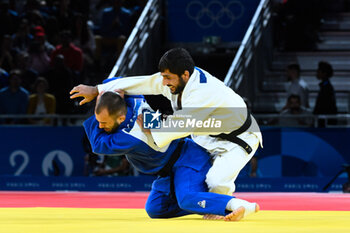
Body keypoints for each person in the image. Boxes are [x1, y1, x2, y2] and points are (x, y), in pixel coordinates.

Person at [70, 48, 263, 196]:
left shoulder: (201, 94)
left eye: (168, 78)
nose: (164, 83)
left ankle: (227, 204)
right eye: (163, 76)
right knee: (196, 177)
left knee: (215, 181)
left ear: (185, 75)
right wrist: (98, 89)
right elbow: (144, 82)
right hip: (208, 133)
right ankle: (206, 202)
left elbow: (181, 126)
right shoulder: (177, 79)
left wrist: (149, 123)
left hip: (238, 138)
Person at [84, 90, 259, 221]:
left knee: (186, 199)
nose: (99, 126)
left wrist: (98, 95)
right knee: (155, 209)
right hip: (169, 170)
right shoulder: (135, 100)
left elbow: (98, 145)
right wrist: (102, 91)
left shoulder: (132, 136)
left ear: (121, 119)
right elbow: (121, 85)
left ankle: (234, 205)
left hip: (187, 158)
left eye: (103, 122)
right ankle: (205, 200)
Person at [313, 61, 337, 127]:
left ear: (324, 73)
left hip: (325, 123)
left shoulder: (327, 88)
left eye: (318, 71)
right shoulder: (324, 86)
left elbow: (325, 107)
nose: (317, 73)